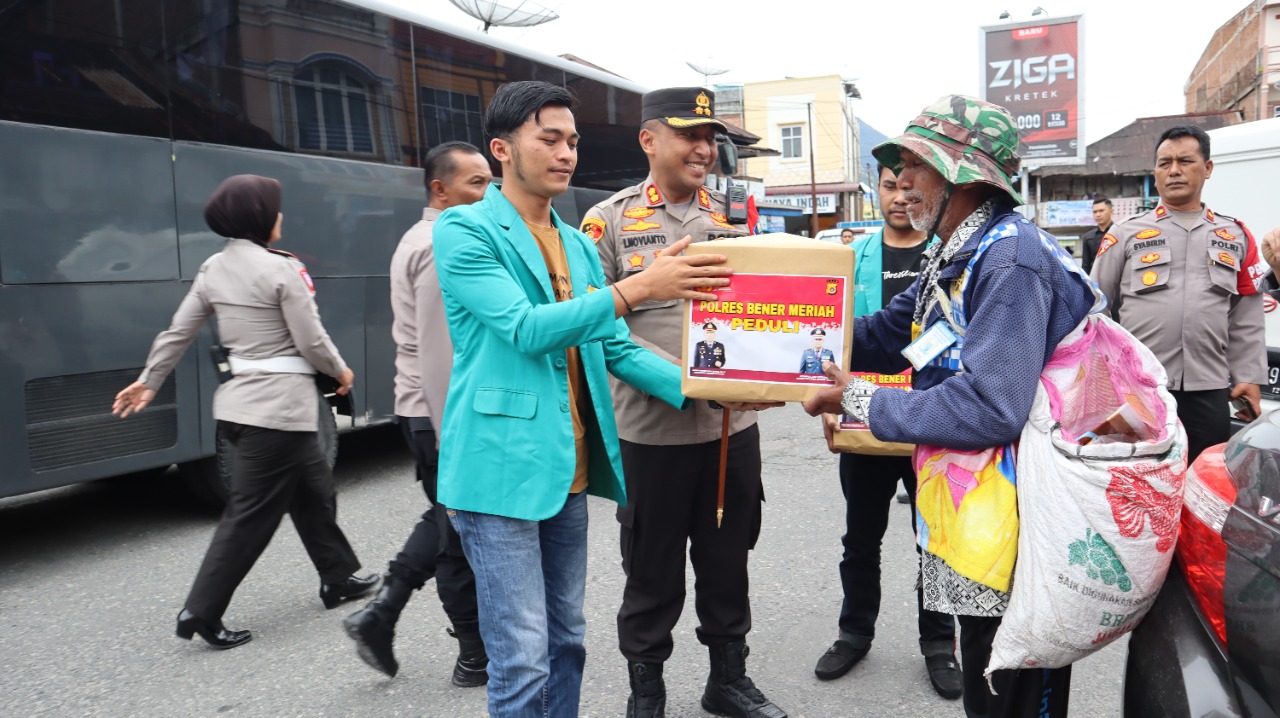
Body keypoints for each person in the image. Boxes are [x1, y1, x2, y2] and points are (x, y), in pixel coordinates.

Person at [431, 80, 737, 718]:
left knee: (567, 641)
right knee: (520, 660)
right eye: (549, 138)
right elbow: (524, 329)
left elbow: (614, 347)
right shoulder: (465, 229)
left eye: (572, 140)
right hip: (498, 471)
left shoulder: (574, 241)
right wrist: (640, 288)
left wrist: (711, 385)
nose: (567, 152)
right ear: (503, 149)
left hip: (567, 470)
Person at [803, 95, 1096, 718]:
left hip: (1020, 520)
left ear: (967, 175)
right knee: (984, 678)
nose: (901, 180)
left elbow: (991, 405)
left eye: (917, 163)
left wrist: (859, 397)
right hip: (981, 514)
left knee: (1012, 685)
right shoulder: (959, 250)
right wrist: (784, 338)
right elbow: (891, 330)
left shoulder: (1010, 259)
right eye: (899, 164)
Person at [582, 87, 787, 718]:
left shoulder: (731, 215)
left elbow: (759, 316)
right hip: (650, 436)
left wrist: (778, 374)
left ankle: (727, 680)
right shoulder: (608, 222)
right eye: (689, 135)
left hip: (730, 430)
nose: (704, 148)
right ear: (650, 140)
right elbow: (596, 328)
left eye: (709, 137)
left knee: (728, 563)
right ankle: (647, 693)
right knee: (651, 570)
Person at [112, 175, 379, 649]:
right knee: (250, 516)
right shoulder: (282, 270)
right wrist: (342, 372)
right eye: (275, 210)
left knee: (314, 491)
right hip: (276, 413)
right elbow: (311, 340)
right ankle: (201, 610)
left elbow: (178, 331)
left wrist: (149, 380)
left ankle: (338, 577)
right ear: (259, 217)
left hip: (243, 408)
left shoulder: (213, 267)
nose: (281, 218)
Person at [343, 142, 492, 682]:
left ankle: (383, 613)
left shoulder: (440, 237)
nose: (488, 192)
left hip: (433, 410)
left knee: (449, 518)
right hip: (440, 410)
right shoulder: (436, 244)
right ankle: (473, 654)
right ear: (439, 189)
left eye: (489, 181)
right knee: (456, 530)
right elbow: (441, 350)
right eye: (475, 183)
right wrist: (455, 429)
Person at [813, 164, 961, 699]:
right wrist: (830, 406)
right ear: (874, 190)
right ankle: (854, 633)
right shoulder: (851, 259)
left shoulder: (950, 256)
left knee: (936, 541)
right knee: (861, 536)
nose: (900, 197)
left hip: (931, 418)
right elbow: (829, 338)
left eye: (909, 186)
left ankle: (941, 645)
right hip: (862, 419)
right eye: (889, 186)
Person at [1090, 125, 1267, 462]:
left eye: (1185, 161)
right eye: (1164, 163)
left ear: (1208, 168)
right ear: (1155, 172)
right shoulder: (1125, 234)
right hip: (1138, 387)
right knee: (1136, 479)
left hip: (1209, 386)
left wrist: (1247, 376)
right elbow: (1095, 308)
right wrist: (1103, 375)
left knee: (1202, 478)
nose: (1173, 170)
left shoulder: (1236, 235)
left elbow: (1246, 314)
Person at [1079, 197, 1112, 273]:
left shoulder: (1120, 233)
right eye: (1095, 212)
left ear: (1111, 211)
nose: (1098, 215)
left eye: (1101, 211)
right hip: (1095, 281)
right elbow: (1086, 265)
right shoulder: (1088, 237)